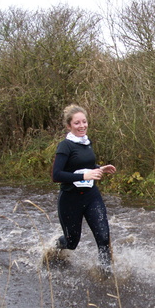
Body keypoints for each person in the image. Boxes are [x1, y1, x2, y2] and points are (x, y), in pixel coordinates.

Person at [52, 104, 116, 276]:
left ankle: (106, 275)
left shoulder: (87, 142)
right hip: (70, 199)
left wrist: (99, 168)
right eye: (77, 123)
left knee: (103, 237)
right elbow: (57, 175)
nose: (82, 126)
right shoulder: (65, 146)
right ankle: (53, 250)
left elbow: (83, 166)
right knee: (72, 242)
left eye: (84, 122)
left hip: (91, 196)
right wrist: (84, 176)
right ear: (69, 126)